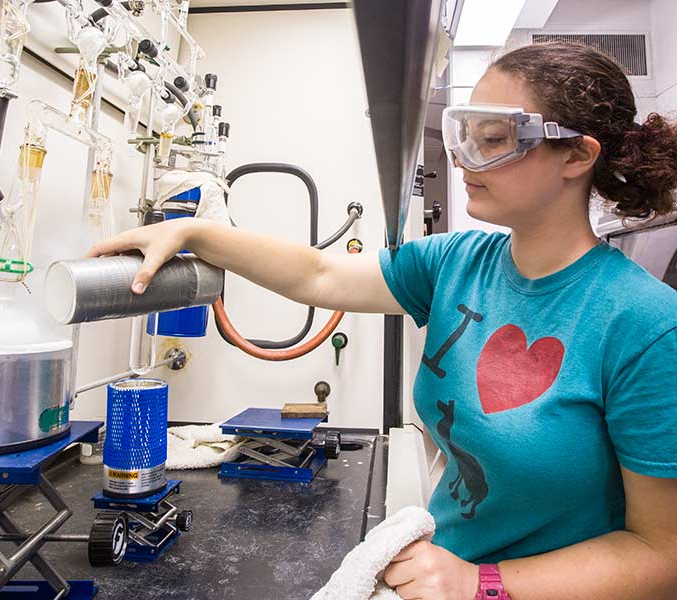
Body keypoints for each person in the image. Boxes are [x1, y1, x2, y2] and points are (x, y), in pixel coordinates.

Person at [88, 42, 677, 599]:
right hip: (440, 574)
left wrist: (484, 583)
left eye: (493, 139)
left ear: (576, 154)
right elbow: (317, 275)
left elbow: (661, 557)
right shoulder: (457, 262)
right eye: (463, 133)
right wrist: (193, 232)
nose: (463, 156)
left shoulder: (645, 325)